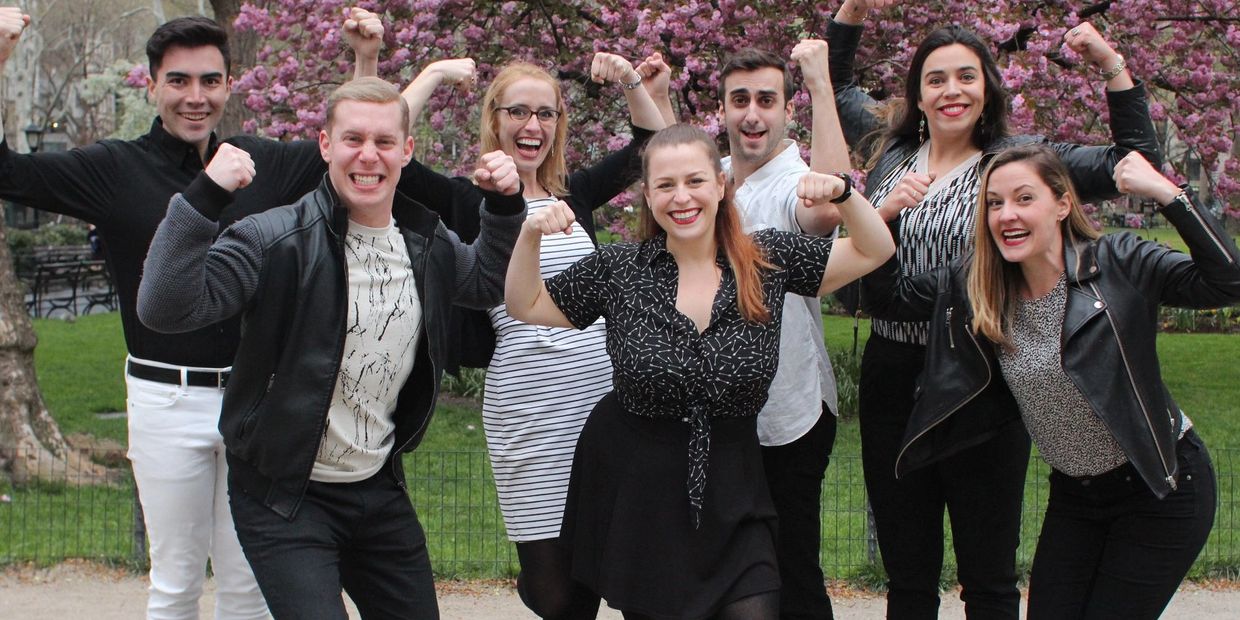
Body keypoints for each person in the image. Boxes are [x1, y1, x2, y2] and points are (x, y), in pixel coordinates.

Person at [0, 8, 383, 619]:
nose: (194, 96)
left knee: (248, 584)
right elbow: (9, 173)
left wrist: (364, 61)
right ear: (152, 86)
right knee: (175, 582)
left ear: (230, 85)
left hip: (254, 401)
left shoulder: (259, 163)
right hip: (164, 402)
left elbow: (354, 158)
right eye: (178, 81)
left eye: (209, 80)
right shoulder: (112, 169)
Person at [136, 77, 527, 619]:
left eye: (385, 142)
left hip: (377, 486)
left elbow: (485, 282)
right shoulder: (272, 240)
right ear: (325, 145)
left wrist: (505, 209)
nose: (368, 155)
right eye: (352, 139)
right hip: (284, 494)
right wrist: (205, 196)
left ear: (407, 151)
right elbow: (164, 307)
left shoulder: (426, 243)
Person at [827, 1, 1163, 616]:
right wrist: (851, 10)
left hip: (980, 376)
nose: (951, 91)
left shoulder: (1016, 166)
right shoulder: (891, 152)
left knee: (988, 575)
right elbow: (838, 82)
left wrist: (1115, 70)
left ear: (987, 89)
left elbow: (1134, 164)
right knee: (907, 575)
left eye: (966, 76)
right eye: (935, 79)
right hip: (892, 374)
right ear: (918, 96)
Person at [505, 123, 895, 619]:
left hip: (735, 485)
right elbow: (525, 301)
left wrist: (843, 193)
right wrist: (530, 233)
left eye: (694, 181)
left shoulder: (766, 260)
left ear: (720, 185)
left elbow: (874, 249)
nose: (681, 197)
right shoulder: (620, 269)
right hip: (641, 485)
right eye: (665, 185)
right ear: (647, 195)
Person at [860, 145, 1238, 619]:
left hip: (1160, 488)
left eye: (1023, 198)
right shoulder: (978, 285)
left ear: (1062, 204)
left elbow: (1227, 282)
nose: (1007, 215)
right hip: (1076, 495)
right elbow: (889, 299)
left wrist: (1169, 194)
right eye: (994, 203)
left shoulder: (1119, 262)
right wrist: (884, 215)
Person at [398, 53, 671, 619]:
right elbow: (387, 146)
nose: (532, 125)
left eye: (545, 113)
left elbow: (651, 143)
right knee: (557, 595)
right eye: (517, 111)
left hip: (602, 404)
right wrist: (433, 76)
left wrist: (628, 77)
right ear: (493, 120)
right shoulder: (467, 199)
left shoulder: (575, 195)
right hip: (528, 410)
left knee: (607, 567)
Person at [715, 42, 849, 620]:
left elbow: (828, 207)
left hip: (790, 412)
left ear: (785, 110)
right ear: (720, 110)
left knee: (792, 567)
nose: (752, 113)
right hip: (723, 409)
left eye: (766, 100)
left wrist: (821, 83)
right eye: (739, 99)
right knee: (730, 567)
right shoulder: (714, 180)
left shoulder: (794, 179)